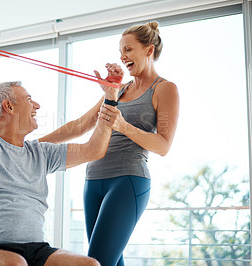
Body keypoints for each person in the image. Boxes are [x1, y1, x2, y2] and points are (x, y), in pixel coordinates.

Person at [0, 21, 123, 266]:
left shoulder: (40, 153)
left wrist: (110, 97)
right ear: (8, 106)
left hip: (33, 250)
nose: (37, 106)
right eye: (29, 99)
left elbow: (93, 149)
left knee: (89, 265)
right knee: (14, 264)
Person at [39, 21, 180, 265]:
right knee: (110, 261)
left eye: (128, 50)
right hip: (93, 181)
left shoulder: (165, 89)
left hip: (127, 181)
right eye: (120, 52)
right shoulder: (119, 90)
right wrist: (33, 145)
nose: (122, 57)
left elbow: (163, 146)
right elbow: (81, 125)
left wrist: (123, 126)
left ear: (149, 50)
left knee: (97, 261)